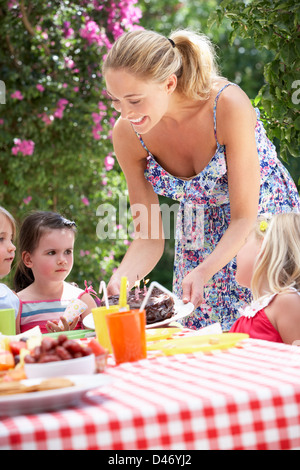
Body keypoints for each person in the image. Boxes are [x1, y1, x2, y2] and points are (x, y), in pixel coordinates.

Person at [102, 29, 300, 330]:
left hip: (262, 222)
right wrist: (122, 280)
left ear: (169, 83)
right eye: (115, 101)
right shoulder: (128, 135)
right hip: (198, 226)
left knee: (269, 327)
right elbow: (150, 236)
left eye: (135, 100)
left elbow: (243, 217)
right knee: (205, 339)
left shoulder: (227, 105)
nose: (126, 113)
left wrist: (204, 271)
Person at [13, 211, 97, 334]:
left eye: (68, 251)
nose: (62, 260)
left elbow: (99, 344)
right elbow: (10, 348)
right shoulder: (16, 304)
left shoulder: (83, 301)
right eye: (51, 252)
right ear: (28, 259)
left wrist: (69, 336)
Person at [230, 213, 300, 344]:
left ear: (262, 247)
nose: (237, 253)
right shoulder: (260, 308)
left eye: (244, 243)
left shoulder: (287, 301)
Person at [0, 207, 20, 319]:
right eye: (1, 239)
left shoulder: (11, 298)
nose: (12, 247)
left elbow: (16, 337)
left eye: (11, 240)